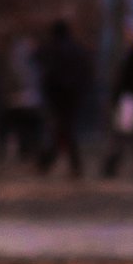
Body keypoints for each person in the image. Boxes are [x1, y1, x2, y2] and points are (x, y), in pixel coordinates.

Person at [38, 19, 92, 176]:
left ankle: (50, 162)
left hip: (59, 96)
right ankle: (53, 163)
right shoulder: (76, 50)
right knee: (63, 130)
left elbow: (49, 73)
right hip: (72, 97)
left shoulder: (55, 50)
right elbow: (86, 73)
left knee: (62, 129)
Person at [0, 31, 42, 171]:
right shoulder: (25, 61)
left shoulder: (19, 59)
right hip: (23, 100)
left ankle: (11, 153)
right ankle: (23, 154)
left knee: (15, 128)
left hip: (19, 100)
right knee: (23, 129)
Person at [101, 42, 133, 177]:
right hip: (131, 100)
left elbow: (121, 82)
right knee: (130, 136)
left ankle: (111, 167)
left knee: (122, 136)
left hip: (127, 101)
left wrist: (114, 98)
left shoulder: (128, 60)